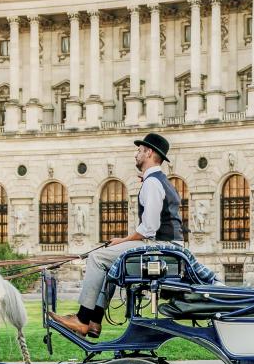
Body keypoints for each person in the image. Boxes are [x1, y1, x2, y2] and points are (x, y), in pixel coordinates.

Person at [50, 132, 189, 338]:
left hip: (161, 247)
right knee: (111, 261)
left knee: (97, 258)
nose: (136, 154)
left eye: (139, 151)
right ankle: (95, 321)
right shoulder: (158, 181)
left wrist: (121, 240)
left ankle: (82, 319)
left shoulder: (152, 183)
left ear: (149, 153)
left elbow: (148, 229)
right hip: (168, 247)